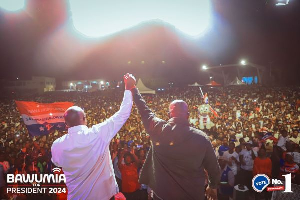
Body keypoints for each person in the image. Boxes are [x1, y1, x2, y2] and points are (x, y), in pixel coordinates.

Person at [128, 74, 221, 200]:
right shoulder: (202, 138)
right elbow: (214, 169)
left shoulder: (158, 129)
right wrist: (212, 186)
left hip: (162, 196)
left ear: (169, 114)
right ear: (187, 115)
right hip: (192, 196)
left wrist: (133, 87)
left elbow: (144, 109)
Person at [51, 74, 135, 200]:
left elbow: (57, 163)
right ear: (84, 119)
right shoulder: (98, 134)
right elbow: (123, 114)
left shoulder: (57, 145)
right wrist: (128, 88)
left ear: (66, 124)